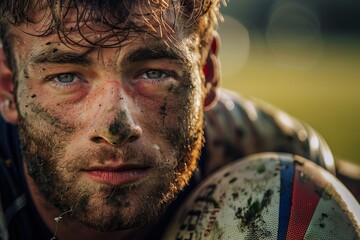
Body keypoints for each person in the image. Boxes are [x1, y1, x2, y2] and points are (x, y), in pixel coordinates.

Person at [0, 0, 354, 239]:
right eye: (66, 77)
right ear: (8, 85)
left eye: (153, 73)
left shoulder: (265, 150)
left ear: (207, 74)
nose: (115, 126)